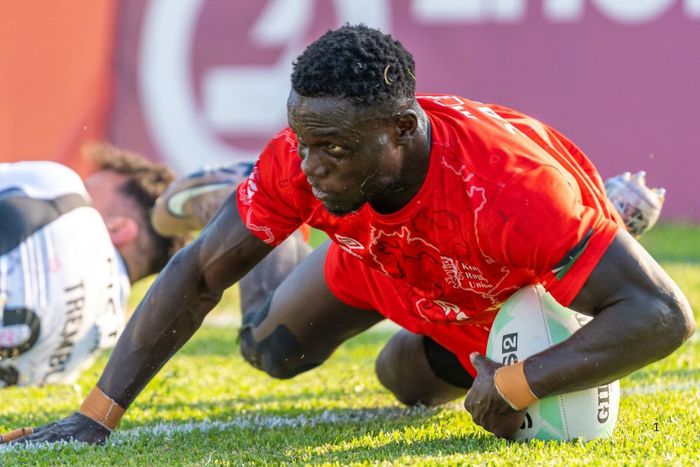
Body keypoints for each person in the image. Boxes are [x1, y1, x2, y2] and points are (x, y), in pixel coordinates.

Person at [2, 24, 693, 444]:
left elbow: (662, 315)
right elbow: (199, 273)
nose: (310, 165)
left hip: (492, 286)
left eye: (331, 147)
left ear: (402, 129)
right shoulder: (305, 161)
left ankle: (595, 224)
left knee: (403, 381)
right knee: (269, 351)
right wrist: (95, 415)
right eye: (302, 141)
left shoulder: (512, 192)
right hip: (382, 258)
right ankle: (247, 200)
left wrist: (517, 381)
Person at [0, 144, 188, 388]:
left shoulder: (61, 187)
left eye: (87, 192)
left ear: (119, 228)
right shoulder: (93, 348)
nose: (81, 192)